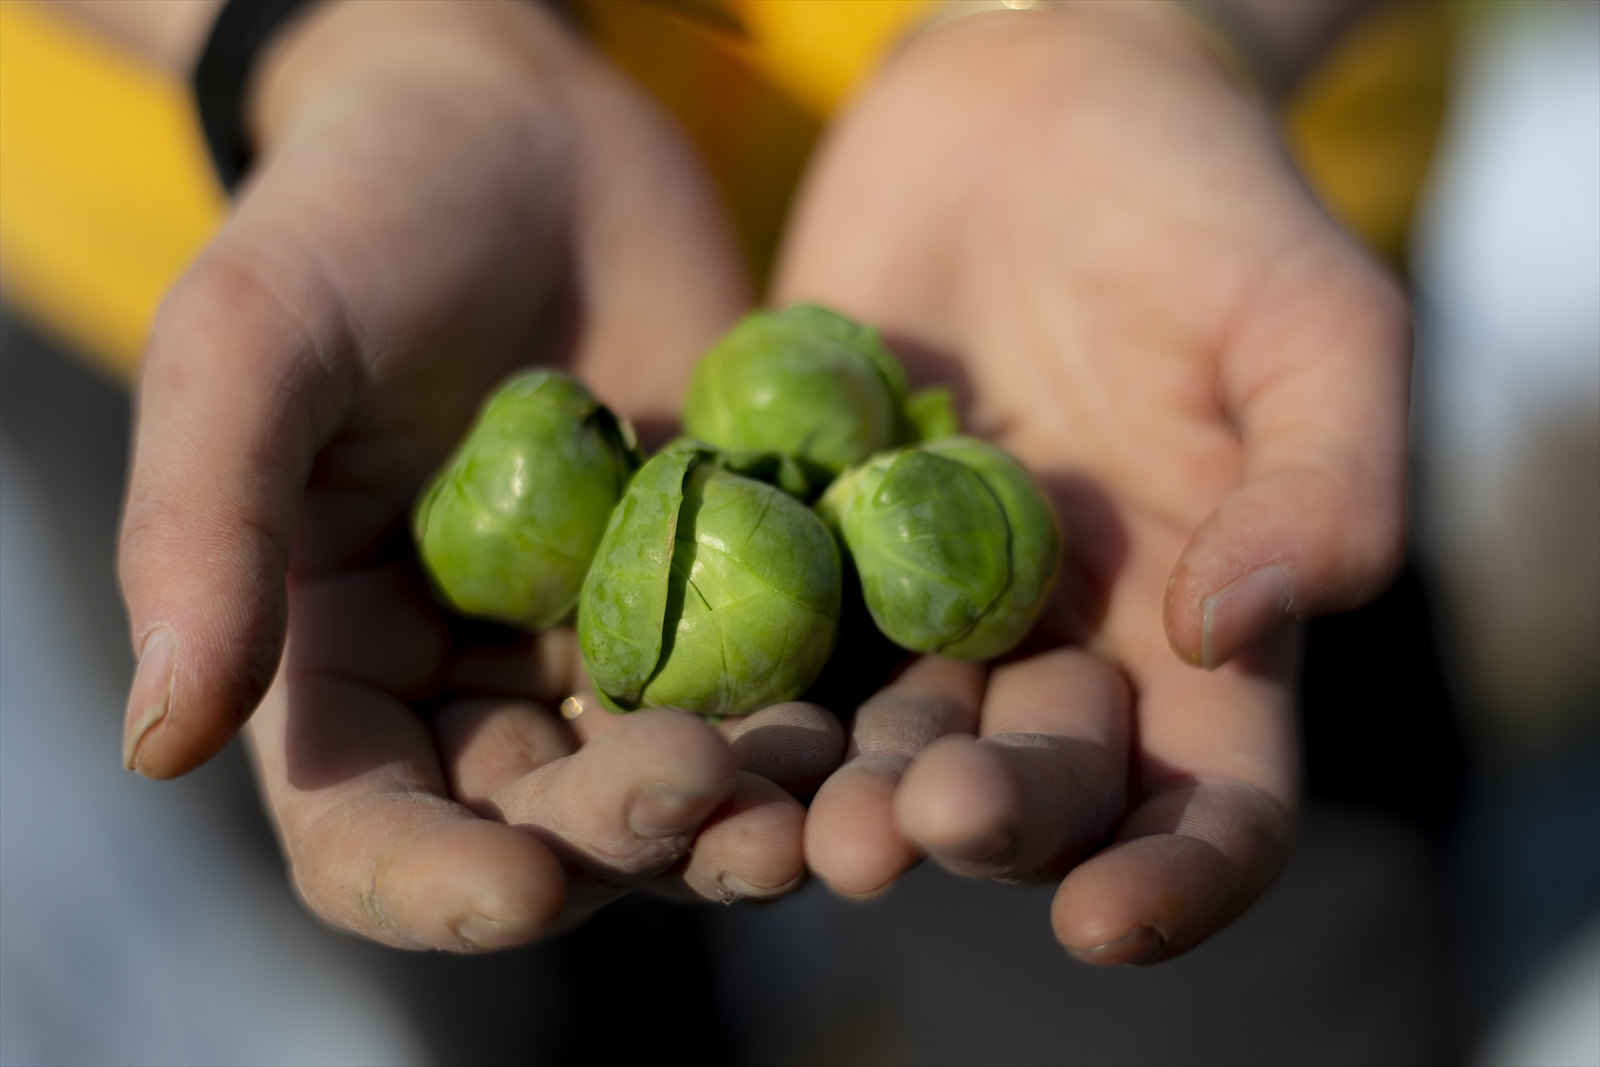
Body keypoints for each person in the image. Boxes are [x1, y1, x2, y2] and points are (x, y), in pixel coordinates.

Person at [44, 0, 1407, 963]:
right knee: (505, 956)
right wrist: (353, 23)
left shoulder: (874, 484)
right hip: (324, 323)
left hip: (1143, 345)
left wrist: (1140, 30)